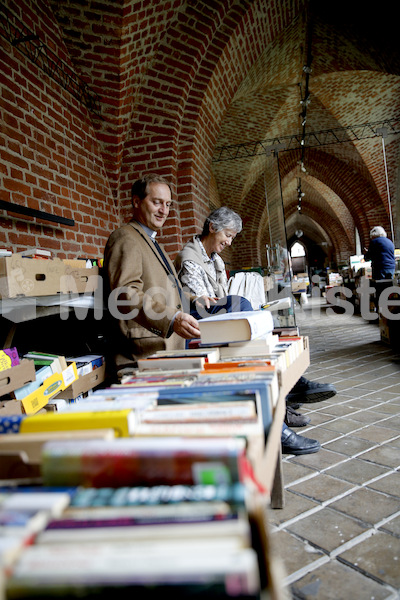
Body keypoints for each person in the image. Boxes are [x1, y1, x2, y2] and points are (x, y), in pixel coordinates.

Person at [175, 206, 337, 455]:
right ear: (212, 227)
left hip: (219, 321)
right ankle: (286, 398)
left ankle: (285, 391)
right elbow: (201, 302)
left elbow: (221, 298)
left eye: (232, 238)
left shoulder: (215, 259)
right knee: (241, 306)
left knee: (255, 313)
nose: (229, 242)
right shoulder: (190, 256)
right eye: (227, 235)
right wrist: (236, 306)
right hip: (199, 326)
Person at [103, 173, 201, 377]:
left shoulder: (154, 243)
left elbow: (165, 290)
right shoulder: (125, 238)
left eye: (168, 204)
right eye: (157, 203)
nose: (164, 211)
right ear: (136, 202)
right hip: (142, 357)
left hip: (166, 352)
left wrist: (197, 300)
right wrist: (172, 319)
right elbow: (124, 295)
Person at [364, 226, 396, 310]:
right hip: (391, 267)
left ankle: (380, 308)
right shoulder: (389, 241)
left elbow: (367, 258)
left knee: (379, 288)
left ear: (374, 235)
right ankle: (391, 307)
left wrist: (366, 253)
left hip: (380, 267)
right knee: (389, 286)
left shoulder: (374, 242)